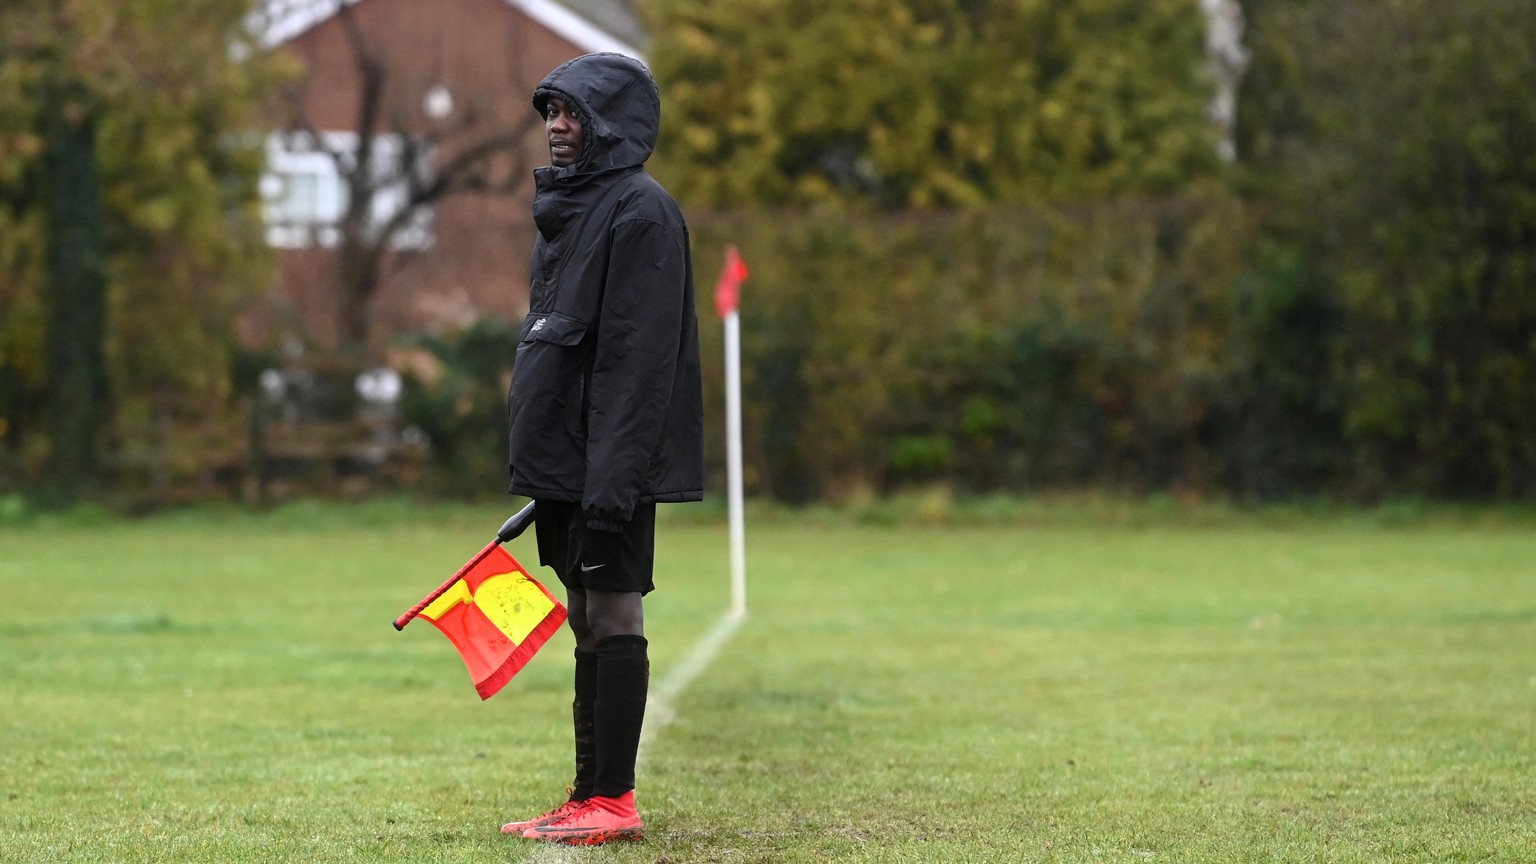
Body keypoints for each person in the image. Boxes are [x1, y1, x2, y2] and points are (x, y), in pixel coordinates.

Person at [498, 52, 704, 847]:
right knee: (584, 614)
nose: (556, 125)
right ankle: (586, 795)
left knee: (614, 613)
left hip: (610, 464)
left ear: (609, 122)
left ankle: (613, 800)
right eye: (550, 110)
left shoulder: (640, 211)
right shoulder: (577, 208)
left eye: (573, 112)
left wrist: (612, 477)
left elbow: (636, 361)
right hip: (573, 463)